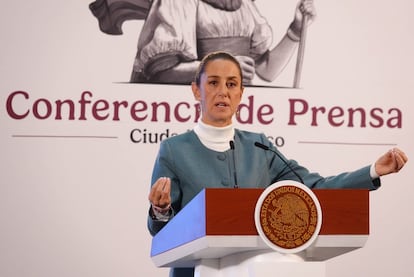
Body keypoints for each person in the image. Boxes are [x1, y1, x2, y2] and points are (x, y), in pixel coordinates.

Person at [147, 51, 408, 277]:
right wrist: (160, 210)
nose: (223, 92)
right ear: (196, 90)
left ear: (241, 94)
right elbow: (161, 231)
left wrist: (372, 171)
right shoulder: (174, 150)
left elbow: (313, 188)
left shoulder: (259, 146)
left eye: (232, 84)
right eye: (213, 82)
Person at [131, 0, 316, 85]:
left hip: (240, 111)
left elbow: (266, 71)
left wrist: (297, 29)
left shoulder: (245, 6)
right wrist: (220, 68)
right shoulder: (180, 3)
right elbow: (162, 74)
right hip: (195, 112)